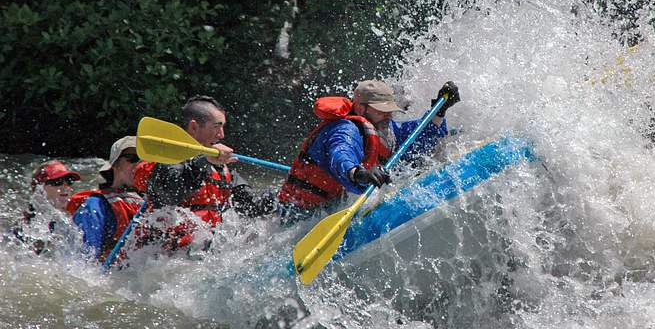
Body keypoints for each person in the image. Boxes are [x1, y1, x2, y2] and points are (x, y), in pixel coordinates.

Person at [277, 80, 460, 221]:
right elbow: (340, 154)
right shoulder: (345, 130)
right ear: (360, 107)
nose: (387, 115)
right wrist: (359, 173)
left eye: (389, 110)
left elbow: (417, 135)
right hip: (299, 215)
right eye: (381, 110)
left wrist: (440, 111)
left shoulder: (382, 127)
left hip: (328, 206)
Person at [134, 95, 273, 247]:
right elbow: (170, 193)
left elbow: (252, 205)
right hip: (167, 258)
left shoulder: (221, 169)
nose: (222, 134)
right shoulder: (165, 160)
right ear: (194, 127)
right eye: (216, 126)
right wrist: (204, 161)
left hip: (204, 256)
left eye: (222, 126)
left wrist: (283, 198)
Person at [68, 136, 146, 261]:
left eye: (144, 161)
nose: (139, 166)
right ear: (115, 164)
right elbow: (84, 264)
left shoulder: (151, 205)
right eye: (133, 159)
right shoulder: (94, 206)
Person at [6, 160, 82, 255]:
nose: (65, 187)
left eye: (69, 181)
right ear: (39, 189)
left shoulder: (75, 217)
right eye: (57, 182)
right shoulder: (26, 227)